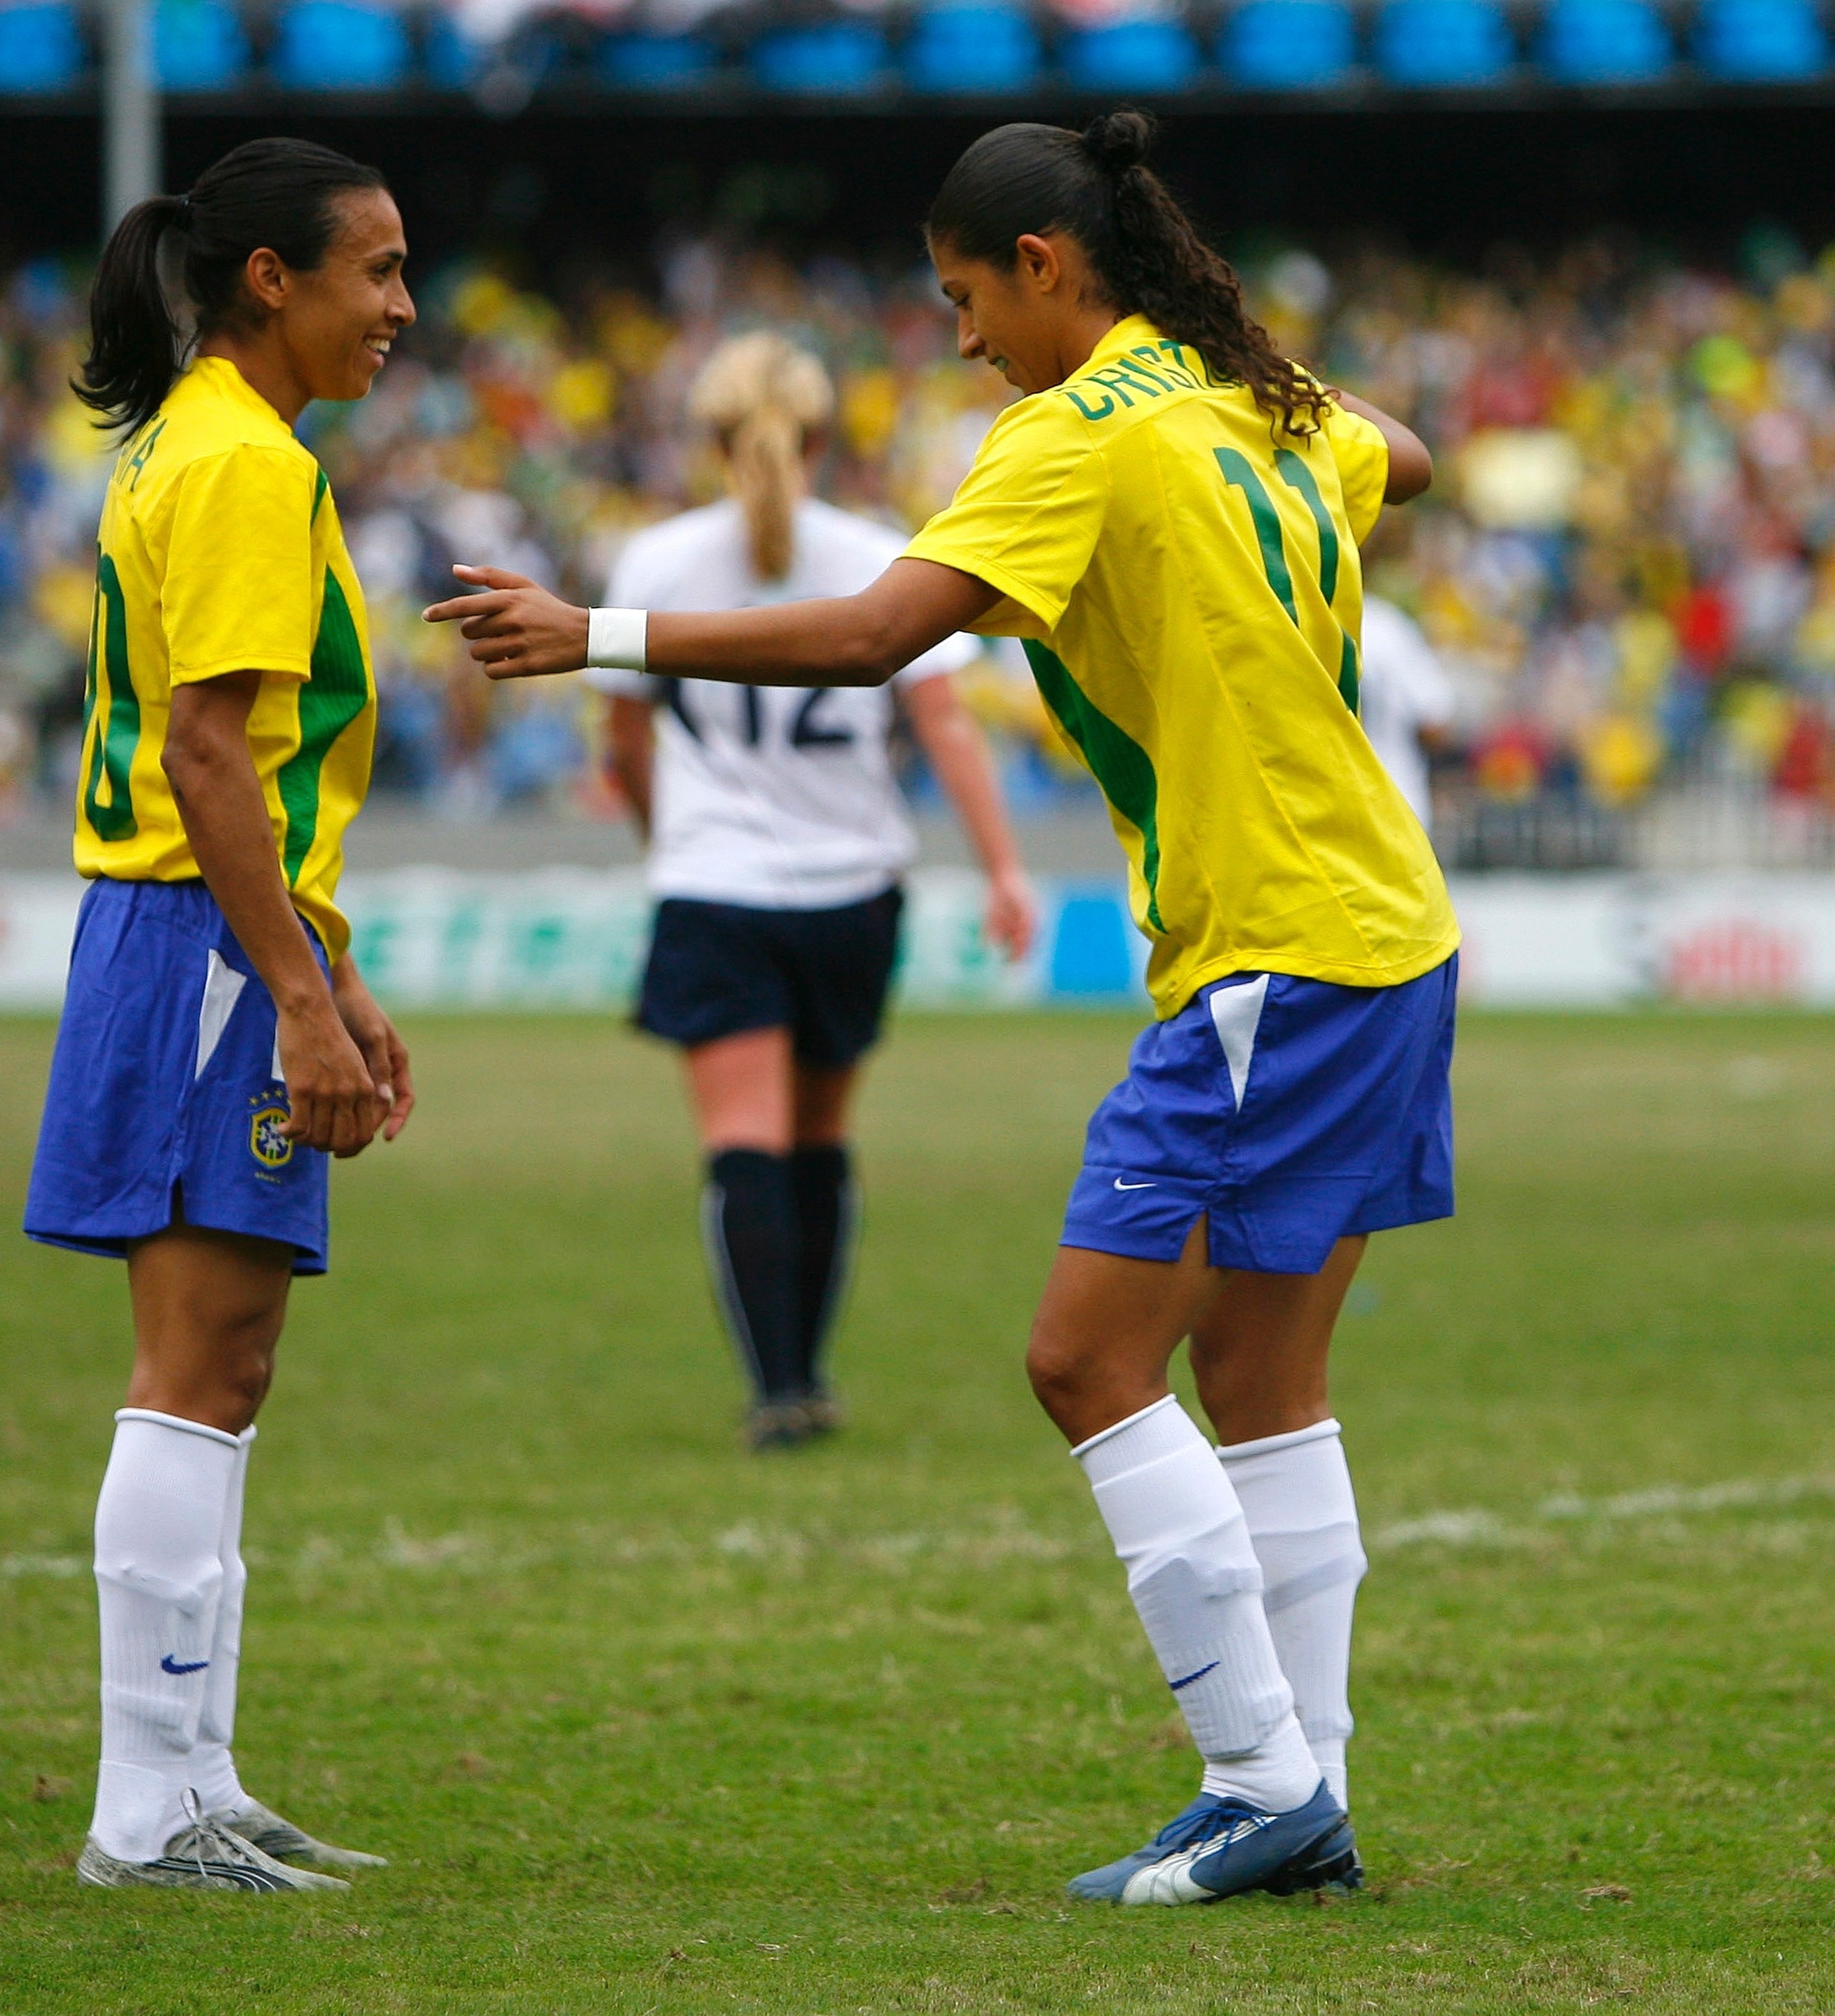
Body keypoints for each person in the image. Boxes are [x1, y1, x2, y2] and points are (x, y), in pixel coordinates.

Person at [428, 109, 1457, 1909]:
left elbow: (868, 634)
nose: (958, 335)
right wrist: (1260, 382)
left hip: (1275, 950)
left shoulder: (1065, 435)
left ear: (1042, 269)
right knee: (1263, 1376)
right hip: (1388, 933)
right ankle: (1311, 1796)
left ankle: (1255, 1783)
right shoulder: (1246, 400)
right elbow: (1415, 457)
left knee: (1080, 1360)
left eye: (961, 295)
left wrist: (595, 633)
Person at [24, 137, 416, 1893]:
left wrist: (324, 969)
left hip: (205, 936)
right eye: (377, 271)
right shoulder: (247, 465)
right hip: (195, 946)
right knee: (201, 1364)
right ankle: (142, 1811)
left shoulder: (203, 440)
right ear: (272, 278)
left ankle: (193, 1779)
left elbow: (233, 758)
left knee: (225, 1365)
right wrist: (290, 993)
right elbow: (205, 753)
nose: (402, 307)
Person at [587, 333, 1035, 1451]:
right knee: (822, 1139)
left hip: (713, 885)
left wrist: (668, 841)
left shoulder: (655, 562)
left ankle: (776, 1387)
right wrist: (1002, 869)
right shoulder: (885, 555)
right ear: (825, 437)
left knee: (742, 1142)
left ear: (707, 440)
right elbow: (943, 729)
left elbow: (625, 745)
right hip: (851, 887)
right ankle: (811, 1375)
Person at [1359, 594, 1456, 831]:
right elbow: (1435, 723)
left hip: (1321, 808)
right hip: (1396, 798)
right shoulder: (1387, 626)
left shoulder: (1299, 619)